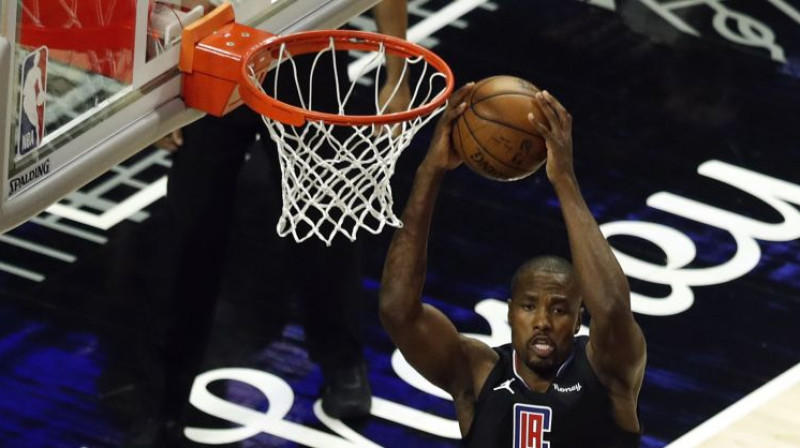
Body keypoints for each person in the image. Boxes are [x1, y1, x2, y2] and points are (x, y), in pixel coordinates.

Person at [147, 0, 410, 443]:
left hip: (304, 44)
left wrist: (396, 70)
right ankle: (169, 390)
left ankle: (343, 361)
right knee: (193, 228)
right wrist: (154, 89)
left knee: (323, 213)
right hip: (212, 48)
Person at [379, 84, 647, 447]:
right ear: (509, 313)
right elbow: (398, 311)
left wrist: (564, 180)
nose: (542, 321)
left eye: (559, 309)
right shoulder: (478, 373)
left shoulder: (607, 370)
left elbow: (613, 308)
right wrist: (431, 170)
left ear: (579, 317)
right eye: (528, 305)